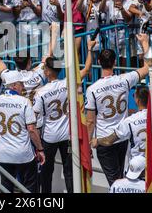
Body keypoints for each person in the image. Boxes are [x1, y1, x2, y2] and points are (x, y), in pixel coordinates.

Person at [85, 33, 150, 186]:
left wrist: (88, 144)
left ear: (99, 62)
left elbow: (90, 121)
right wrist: (145, 43)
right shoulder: (125, 80)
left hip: (104, 140)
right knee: (120, 178)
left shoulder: (93, 89)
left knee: (115, 183)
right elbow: (148, 67)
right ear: (115, 62)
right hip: (122, 137)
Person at [33, 39, 94, 193]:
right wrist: (89, 49)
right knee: (69, 171)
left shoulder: (41, 92)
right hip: (67, 135)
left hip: (49, 136)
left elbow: (34, 116)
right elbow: (86, 69)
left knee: (46, 172)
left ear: (47, 71)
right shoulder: (69, 82)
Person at [0, 71, 45, 193]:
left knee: (6, 189)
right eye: (21, 84)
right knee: (29, 189)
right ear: (14, 86)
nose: (23, 87)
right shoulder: (24, 101)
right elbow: (31, 130)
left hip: (4, 154)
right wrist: (40, 149)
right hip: (24, 154)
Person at [91, 72, 152, 160]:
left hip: (137, 167)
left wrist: (97, 141)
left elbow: (109, 140)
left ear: (137, 100)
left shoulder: (129, 121)